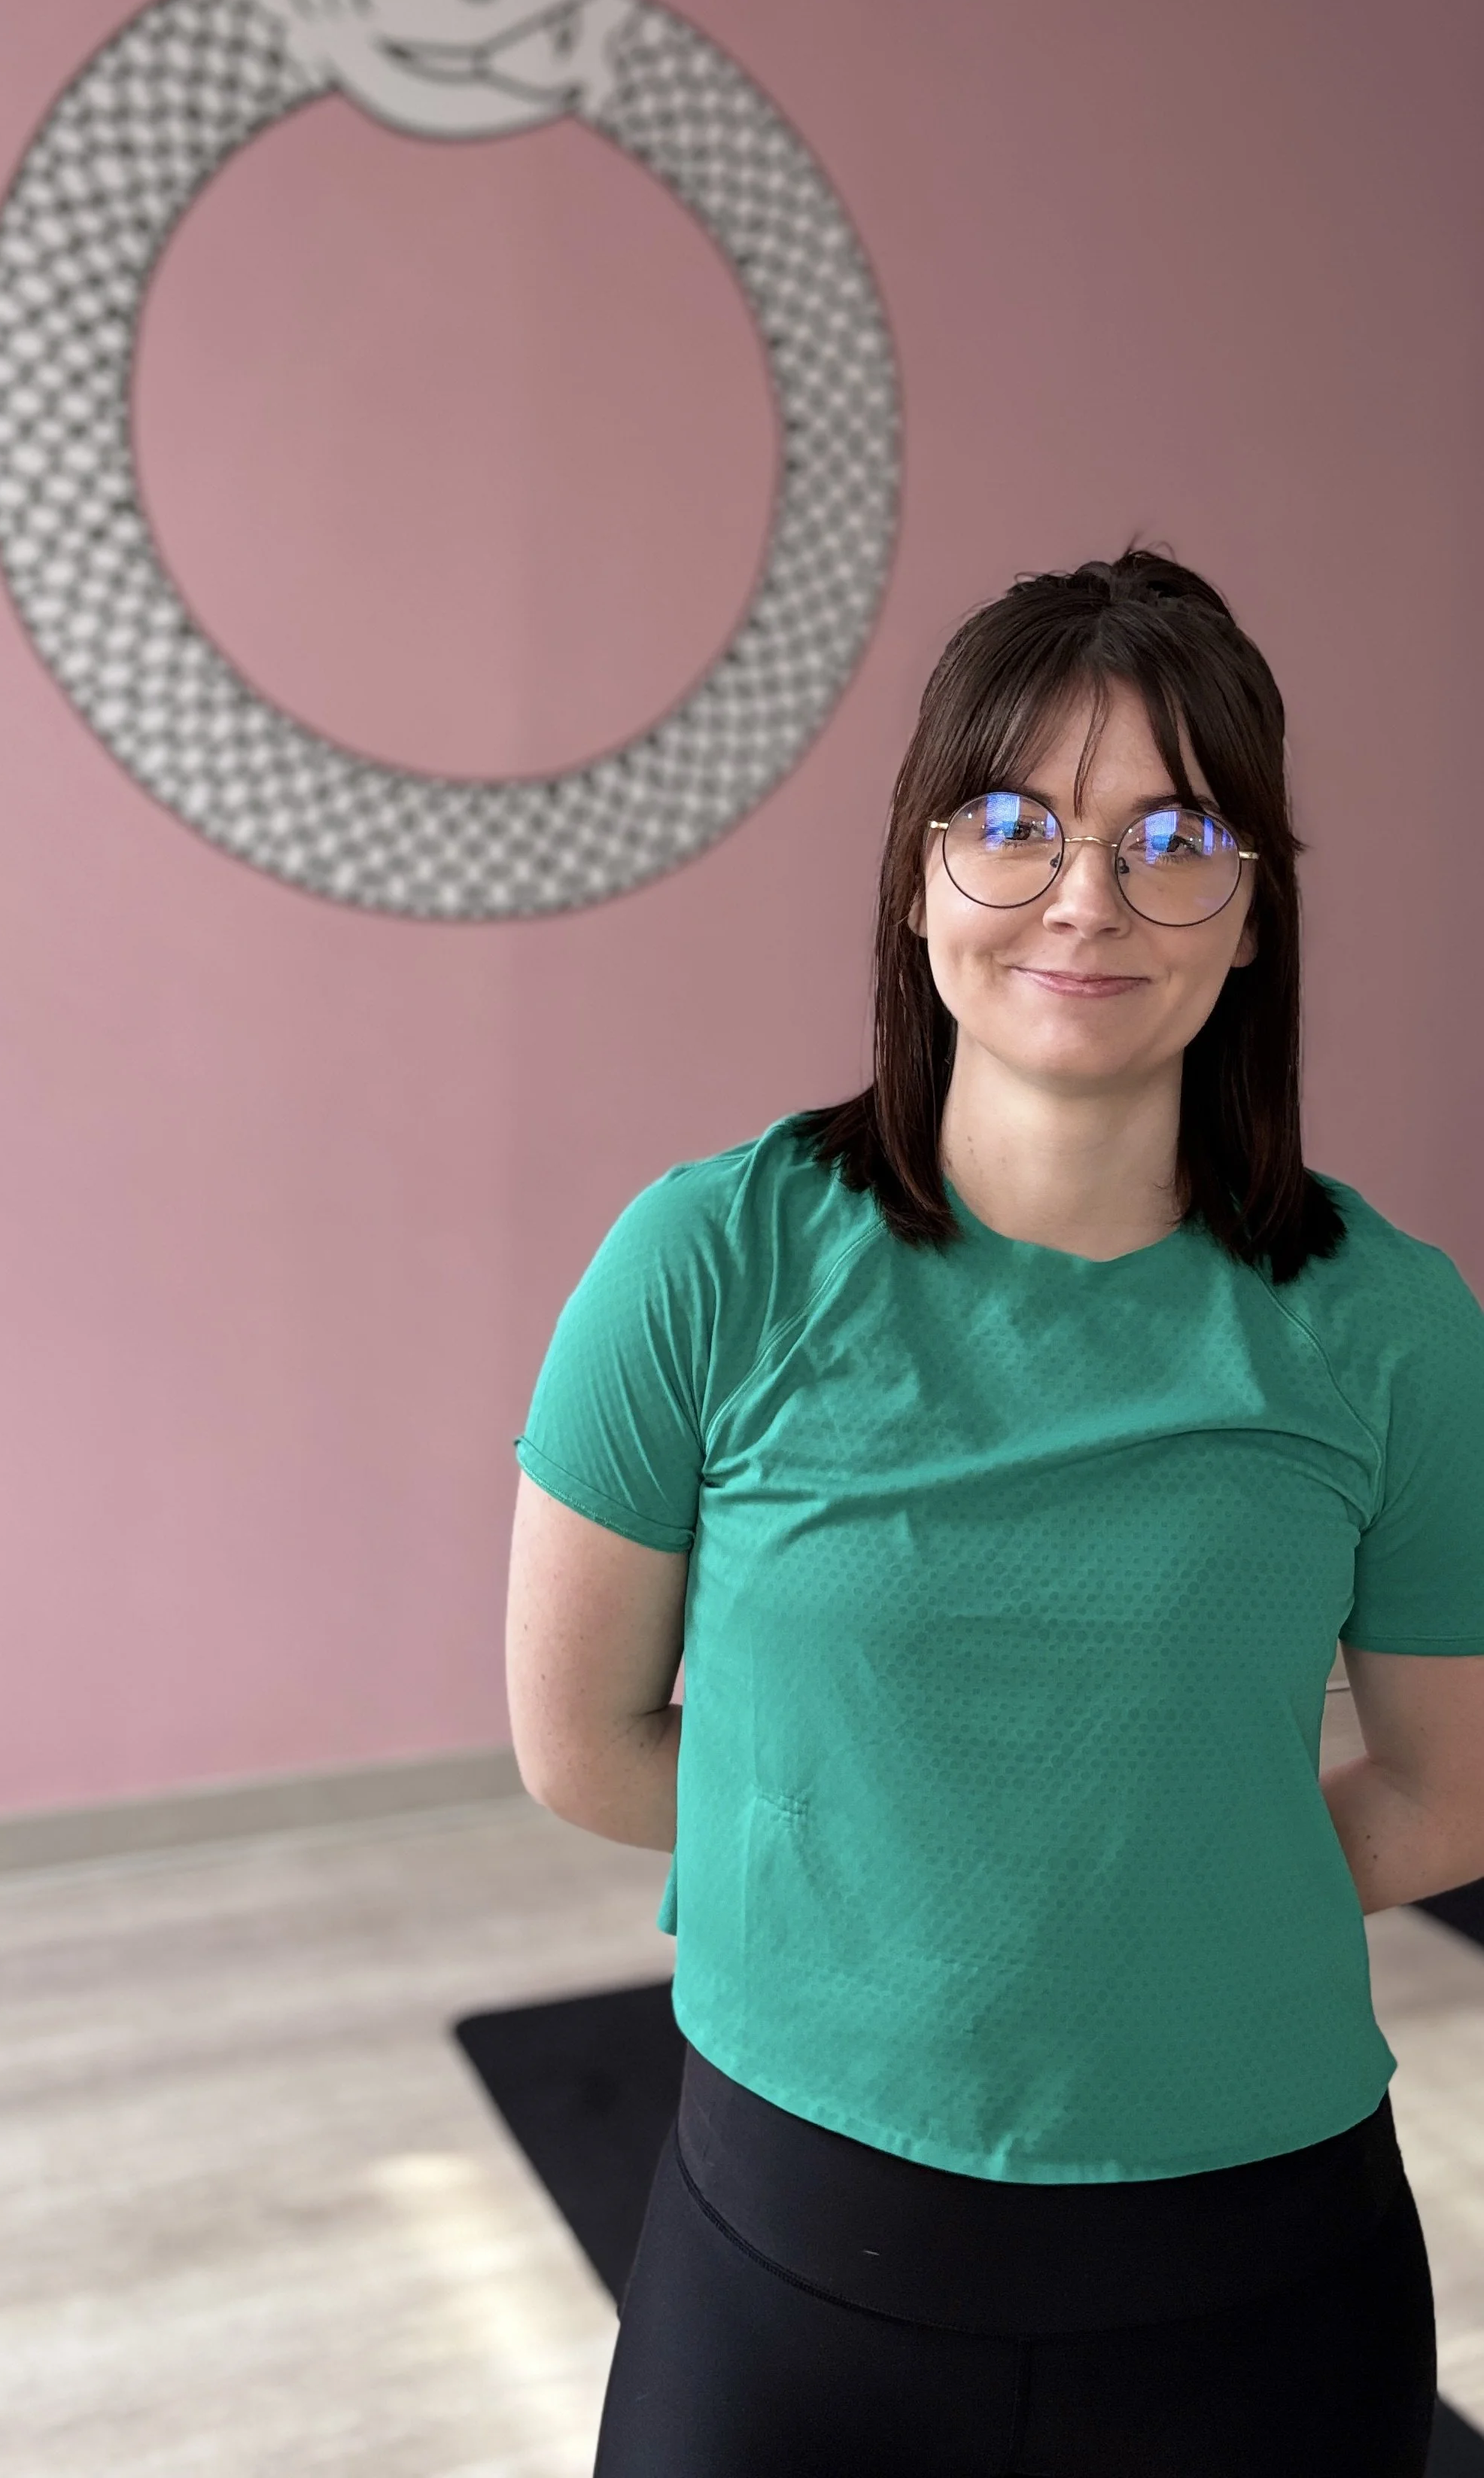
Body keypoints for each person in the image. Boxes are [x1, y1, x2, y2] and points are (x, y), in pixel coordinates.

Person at [504, 548, 1484, 2477]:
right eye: (1016, 823)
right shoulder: (708, 1261)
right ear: (922, 870)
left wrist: (1149, 1898)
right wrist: (904, 1895)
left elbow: (1455, 1791)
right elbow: (580, 1741)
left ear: (1257, 907)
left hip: (1264, 2287)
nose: (1087, 897)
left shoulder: (1393, 1326)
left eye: (1176, 831)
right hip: (789, 2272)